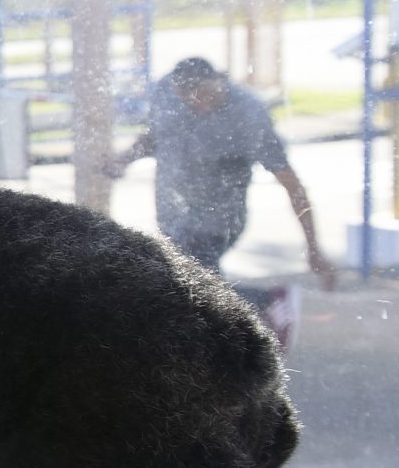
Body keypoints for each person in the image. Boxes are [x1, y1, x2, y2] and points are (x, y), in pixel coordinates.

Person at [109, 57, 338, 327]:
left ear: (220, 80)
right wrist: (122, 160)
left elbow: (290, 182)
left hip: (218, 222)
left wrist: (313, 246)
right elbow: (156, 136)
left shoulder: (247, 115)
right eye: (192, 100)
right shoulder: (165, 95)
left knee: (193, 289)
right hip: (173, 218)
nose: (203, 105)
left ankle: (267, 303)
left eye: (209, 96)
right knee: (187, 294)